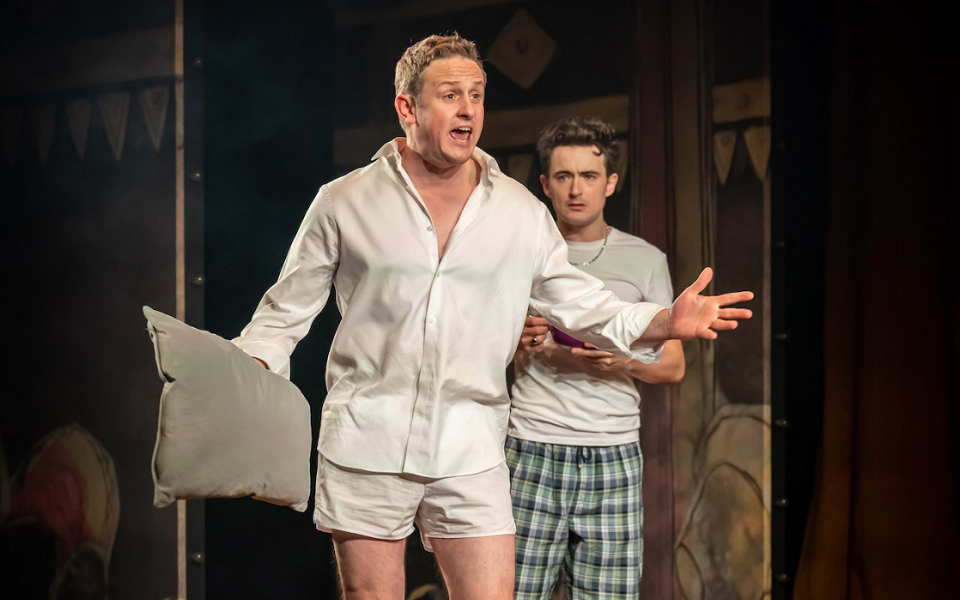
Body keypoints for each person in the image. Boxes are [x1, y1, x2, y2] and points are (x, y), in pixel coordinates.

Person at [234, 34, 752, 600]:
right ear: (407, 107)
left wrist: (664, 322)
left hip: (472, 447)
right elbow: (284, 312)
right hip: (366, 441)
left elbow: (584, 304)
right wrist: (239, 374)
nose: (468, 109)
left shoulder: (519, 212)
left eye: (476, 95)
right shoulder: (344, 200)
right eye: (450, 95)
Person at [508, 117, 682, 600]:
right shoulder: (520, 253)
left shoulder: (645, 259)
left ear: (610, 182)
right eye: (563, 176)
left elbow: (673, 365)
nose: (575, 189)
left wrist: (623, 361)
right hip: (532, 447)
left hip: (613, 453)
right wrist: (513, 338)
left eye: (589, 175)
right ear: (545, 185)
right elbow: (471, 343)